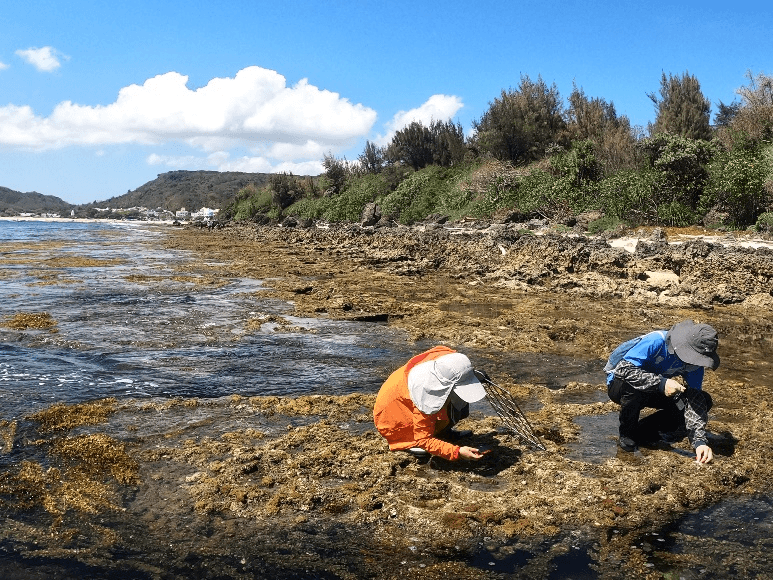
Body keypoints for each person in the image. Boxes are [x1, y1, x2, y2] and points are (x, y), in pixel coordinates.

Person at [605, 320, 720, 464]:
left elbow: (694, 400)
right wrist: (661, 383)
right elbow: (623, 370)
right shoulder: (656, 342)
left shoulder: (695, 366)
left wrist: (699, 441)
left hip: (653, 389)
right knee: (634, 388)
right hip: (620, 385)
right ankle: (628, 434)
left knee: (703, 400)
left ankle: (645, 429)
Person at [373, 345, 488, 460]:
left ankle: (444, 432)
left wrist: (473, 376)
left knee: (457, 405)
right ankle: (410, 443)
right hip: (395, 422)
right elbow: (424, 439)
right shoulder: (423, 396)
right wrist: (457, 452)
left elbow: (456, 372)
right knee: (425, 446)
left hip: (402, 398)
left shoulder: (445, 360)